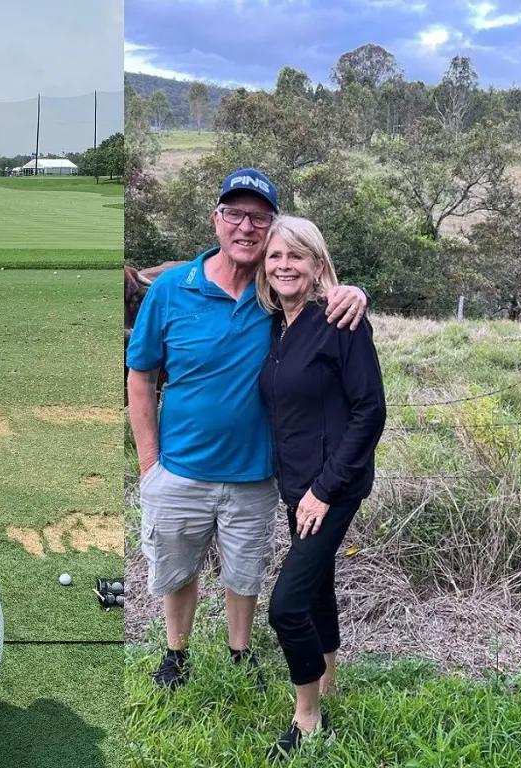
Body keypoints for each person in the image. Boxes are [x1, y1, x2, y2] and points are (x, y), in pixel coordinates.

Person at [126, 168, 370, 691]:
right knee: (178, 570)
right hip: (180, 468)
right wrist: (149, 467)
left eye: (258, 218)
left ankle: (241, 653)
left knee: (244, 574)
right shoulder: (172, 289)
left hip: (256, 475)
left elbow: (321, 295)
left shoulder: (273, 299)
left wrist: (354, 291)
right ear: (217, 220)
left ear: (270, 229)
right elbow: (141, 375)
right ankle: (176, 653)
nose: (245, 227)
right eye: (234, 214)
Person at [256, 216, 385, 760]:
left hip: (331, 487)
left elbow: (370, 410)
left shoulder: (340, 320)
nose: (284, 265)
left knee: (286, 606)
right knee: (316, 588)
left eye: (296, 256)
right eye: (274, 256)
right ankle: (328, 680)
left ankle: (307, 719)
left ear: (317, 266)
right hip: (297, 485)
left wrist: (324, 489)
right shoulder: (276, 327)